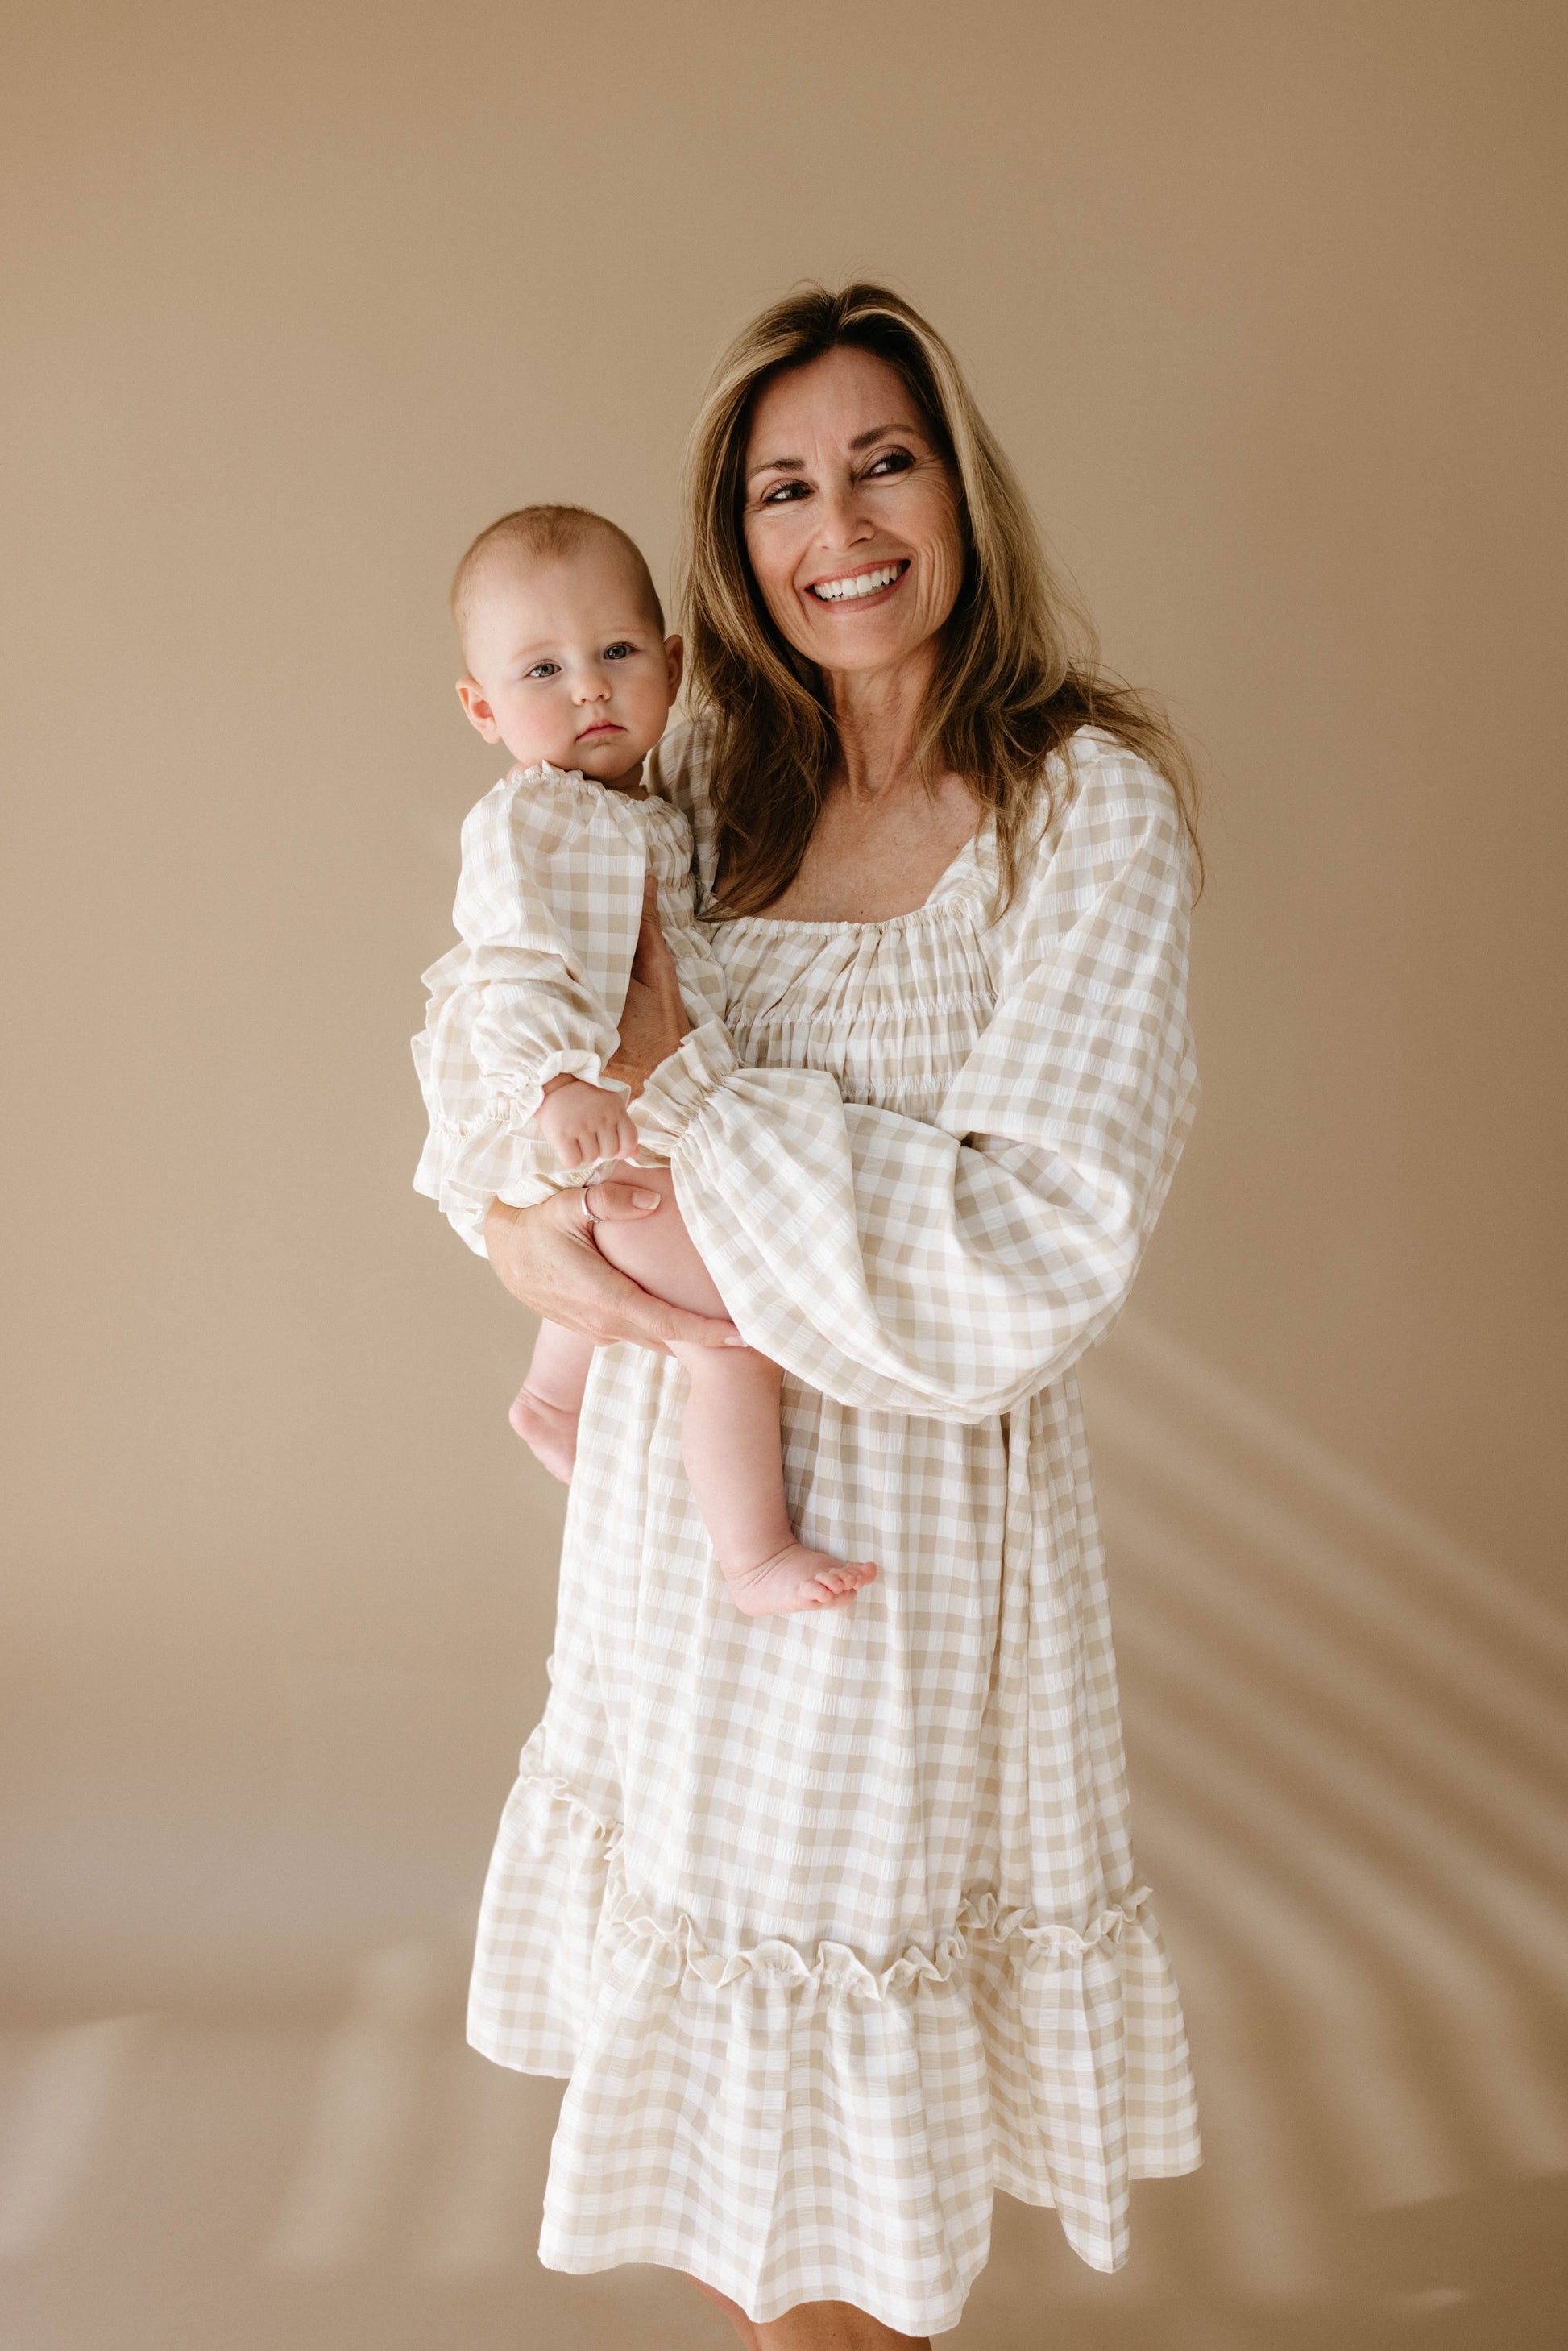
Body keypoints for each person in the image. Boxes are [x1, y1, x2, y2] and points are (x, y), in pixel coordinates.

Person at [416, 281, 1204, 2349]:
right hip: (676, 1544)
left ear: (956, 488)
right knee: (709, 2131)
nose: (836, 521)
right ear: (730, 541)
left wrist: (683, 1101)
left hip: (894, 1560)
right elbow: (500, 1029)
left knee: (843, 2196)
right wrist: (519, 1223)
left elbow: (1025, 1249)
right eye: (781, 485)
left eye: (883, 459)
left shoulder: (1077, 810)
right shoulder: (700, 804)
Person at [413, 503, 875, 1615]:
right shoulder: (533, 822)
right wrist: (553, 1086)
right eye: (542, 669)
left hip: (628, 1113)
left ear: (670, 666)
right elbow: (509, 967)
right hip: (575, 1109)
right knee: (732, 1324)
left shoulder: (642, 812)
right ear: (481, 707)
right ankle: (754, 1554)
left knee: (644, 1247)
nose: (588, 689)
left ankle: (551, 1393)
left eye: (618, 653)